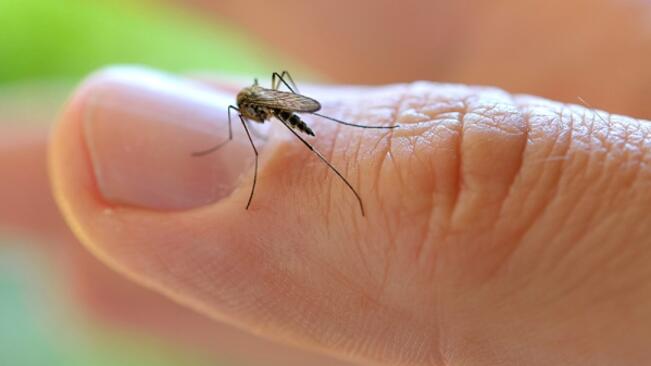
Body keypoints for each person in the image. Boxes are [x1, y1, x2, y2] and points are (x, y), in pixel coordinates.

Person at [3, 1, 651, 365]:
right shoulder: (249, 105)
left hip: (300, 110)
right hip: (282, 108)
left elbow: (266, 106)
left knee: (289, 124)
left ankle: (349, 149)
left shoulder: (263, 104)